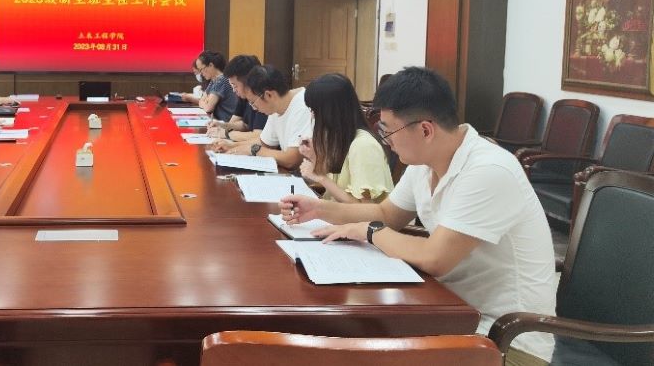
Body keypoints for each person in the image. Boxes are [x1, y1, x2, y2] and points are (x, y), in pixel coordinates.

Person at [279, 67, 556, 366]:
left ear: (425, 130)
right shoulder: (424, 163)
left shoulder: (488, 170)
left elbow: (434, 257)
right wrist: (319, 209)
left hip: (505, 341)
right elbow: (386, 213)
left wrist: (370, 231)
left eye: (388, 131)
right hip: (448, 311)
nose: (386, 141)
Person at [298, 73, 393, 203]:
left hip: (353, 216)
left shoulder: (363, 146)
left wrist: (321, 178)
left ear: (331, 112)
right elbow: (336, 189)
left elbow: (366, 209)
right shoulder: (341, 139)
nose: (313, 116)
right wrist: (314, 157)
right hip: (335, 213)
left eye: (315, 110)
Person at [217, 65, 311, 170]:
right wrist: (232, 146)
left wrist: (255, 150)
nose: (254, 108)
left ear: (268, 95)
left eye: (253, 102)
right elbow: (265, 143)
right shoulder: (276, 106)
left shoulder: (303, 105)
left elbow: (292, 160)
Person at [207, 54, 267, 143]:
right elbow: (245, 125)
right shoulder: (243, 95)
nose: (234, 90)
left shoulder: (262, 97)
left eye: (235, 86)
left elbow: (258, 136)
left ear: (248, 82)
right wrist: (223, 126)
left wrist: (227, 133)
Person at [185, 51, 238, 121]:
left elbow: (208, 108)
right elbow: (201, 100)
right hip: (218, 121)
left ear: (211, 65)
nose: (201, 74)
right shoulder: (213, 80)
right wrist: (205, 102)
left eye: (201, 69)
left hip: (226, 123)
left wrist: (205, 102)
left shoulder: (221, 80)